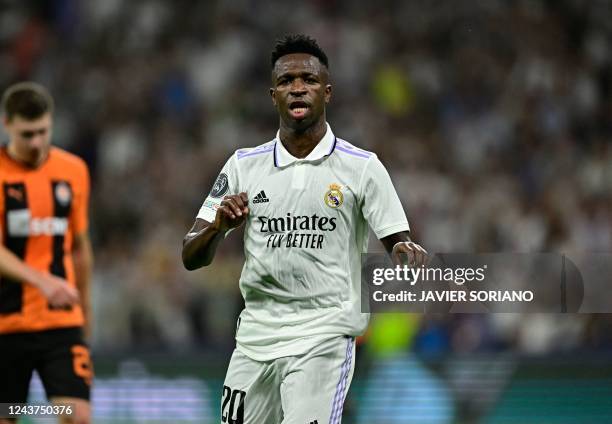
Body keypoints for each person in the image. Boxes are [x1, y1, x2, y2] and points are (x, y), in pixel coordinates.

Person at [182, 34, 427, 423]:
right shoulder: (244, 166)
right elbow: (190, 254)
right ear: (273, 94)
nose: (298, 87)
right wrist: (217, 227)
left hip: (324, 336)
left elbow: (399, 241)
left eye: (308, 80)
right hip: (254, 340)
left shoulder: (361, 167)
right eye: (286, 81)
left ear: (326, 92)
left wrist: (405, 253)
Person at [0, 82, 93, 424]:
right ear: (7, 124)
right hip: (6, 323)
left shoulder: (73, 171)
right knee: (8, 415)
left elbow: (80, 246)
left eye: (43, 131)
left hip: (61, 322)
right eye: (27, 134)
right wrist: (41, 281)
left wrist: (86, 310)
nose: (37, 142)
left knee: (75, 414)